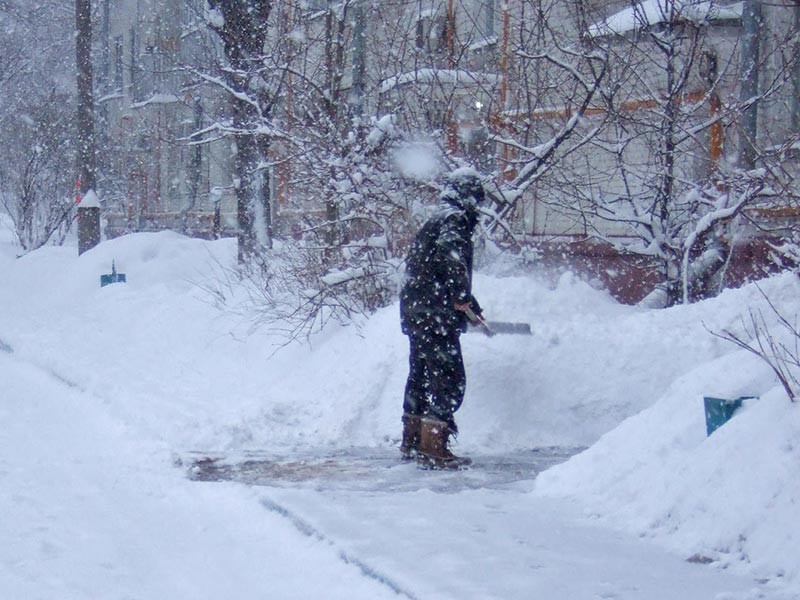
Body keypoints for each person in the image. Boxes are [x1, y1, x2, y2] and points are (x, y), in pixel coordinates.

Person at [399, 167, 486, 468]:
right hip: (435, 314)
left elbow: (431, 269)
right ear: (470, 198)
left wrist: (467, 301)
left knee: (420, 376)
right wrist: (460, 296)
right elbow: (450, 258)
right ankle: (434, 447)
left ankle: (413, 440)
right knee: (448, 379)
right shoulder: (454, 219)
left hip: (417, 311)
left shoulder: (436, 218)